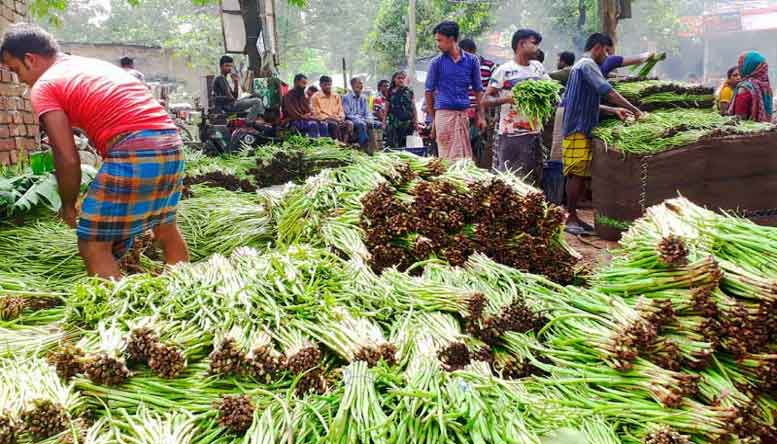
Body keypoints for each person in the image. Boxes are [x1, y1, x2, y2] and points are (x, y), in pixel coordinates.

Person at [1, 23, 188, 278]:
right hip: (170, 141)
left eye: (16, 70)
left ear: (30, 59)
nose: (19, 78)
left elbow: (66, 157)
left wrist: (68, 206)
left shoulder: (44, 86)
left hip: (135, 148)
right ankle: (184, 289)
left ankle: (117, 313)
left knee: (93, 243)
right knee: (165, 228)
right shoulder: (88, 65)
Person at [562, 33, 642, 235]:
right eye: (606, 51)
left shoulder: (582, 66)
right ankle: (570, 216)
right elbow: (608, 91)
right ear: (597, 47)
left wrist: (614, 111)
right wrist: (636, 110)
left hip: (583, 125)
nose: (607, 57)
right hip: (577, 127)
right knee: (576, 174)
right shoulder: (587, 65)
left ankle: (575, 217)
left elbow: (589, 101)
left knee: (580, 174)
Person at [481, 29, 549, 185]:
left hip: (534, 132)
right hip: (510, 134)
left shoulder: (538, 67)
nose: (537, 48)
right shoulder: (504, 71)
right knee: (509, 178)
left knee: (533, 177)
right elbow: (485, 100)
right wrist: (507, 99)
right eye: (534, 43)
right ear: (521, 44)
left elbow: (551, 88)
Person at [425, 21, 485, 160]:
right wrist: (434, 120)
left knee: (464, 159)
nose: (438, 44)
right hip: (444, 116)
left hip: (463, 116)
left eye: (440, 40)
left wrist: (481, 116)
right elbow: (428, 92)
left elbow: (478, 90)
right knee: (447, 158)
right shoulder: (436, 63)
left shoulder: (472, 61)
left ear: (451, 39)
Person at [459, 38, 496, 167]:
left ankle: (480, 169)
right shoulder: (458, 65)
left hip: (482, 112)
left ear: (473, 51)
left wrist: (483, 112)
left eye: (467, 53)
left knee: (481, 145)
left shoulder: (490, 66)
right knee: (464, 145)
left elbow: (494, 90)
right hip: (463, 112)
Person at [729, 51, 773, 122]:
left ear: (747, 67)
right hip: (765, 128)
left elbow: (740, 116)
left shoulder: (745, 87)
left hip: (748, 130)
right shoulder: (766, 86)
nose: (739, 67)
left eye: (741, 65)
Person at [282, 73, 328, 138]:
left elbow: (308, 111)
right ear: (296, 82)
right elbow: (294, 114)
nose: (305, 86)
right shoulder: (287, 96)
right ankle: (314, 144)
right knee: (312, 124)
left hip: (304, 119)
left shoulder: (303, 96)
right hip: (292, 121)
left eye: (305, 84)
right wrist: (307, 117)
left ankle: (325, 144)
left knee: (323, 124)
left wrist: (312, 115)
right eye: (303, 83)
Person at [312, 75, 353, 143]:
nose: (328, 87)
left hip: (337, 119)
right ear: (320, 85)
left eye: (329, 84)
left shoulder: (336, 96)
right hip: (325, 120)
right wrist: (331, 118)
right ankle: (337, 145)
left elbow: (341, 110)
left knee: (349, 123)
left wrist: (341, 117)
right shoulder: (315, 97)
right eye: (325, 85)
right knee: (333, 124)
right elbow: (317, 114)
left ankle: (344, 144)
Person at [343, 77, 380, 149]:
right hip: (352, 119)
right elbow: (348, 114)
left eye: (362, 84)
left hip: (363, 119)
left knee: (376, 124)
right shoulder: (346, 97)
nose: (361, 86)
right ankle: (364, 145)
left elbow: (367, 112)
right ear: (353, 85)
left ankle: (374, 147)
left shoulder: (364, 98)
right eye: (359, 83)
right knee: (361, 124)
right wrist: (361, 119)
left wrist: (368, 119)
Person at [386, 71, 417, 148]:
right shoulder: (390, 91)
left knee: (406, 143)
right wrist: (384, 120)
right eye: (399, 78)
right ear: (394, 79)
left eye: (403, 78)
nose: (401, 80)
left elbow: (413, 106)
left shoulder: (409, 91)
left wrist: (416, 120)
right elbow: (387, 106)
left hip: (407, 121)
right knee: (393, 142)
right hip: (394, 121)